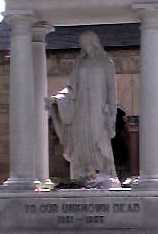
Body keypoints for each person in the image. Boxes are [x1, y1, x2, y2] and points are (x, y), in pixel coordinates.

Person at [47, 31, 117, 180]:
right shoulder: (79, 64)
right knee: (81, 140)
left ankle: (103, 172)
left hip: (98, 109)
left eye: (86, 43)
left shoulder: (106, 63)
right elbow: (71, 87)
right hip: (81, 107)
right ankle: (84, 174)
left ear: (93, 42)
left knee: (99, 139)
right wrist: (58, 99)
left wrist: (111, 111)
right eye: (82, 44)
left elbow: (111, 90)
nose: (84, 46)